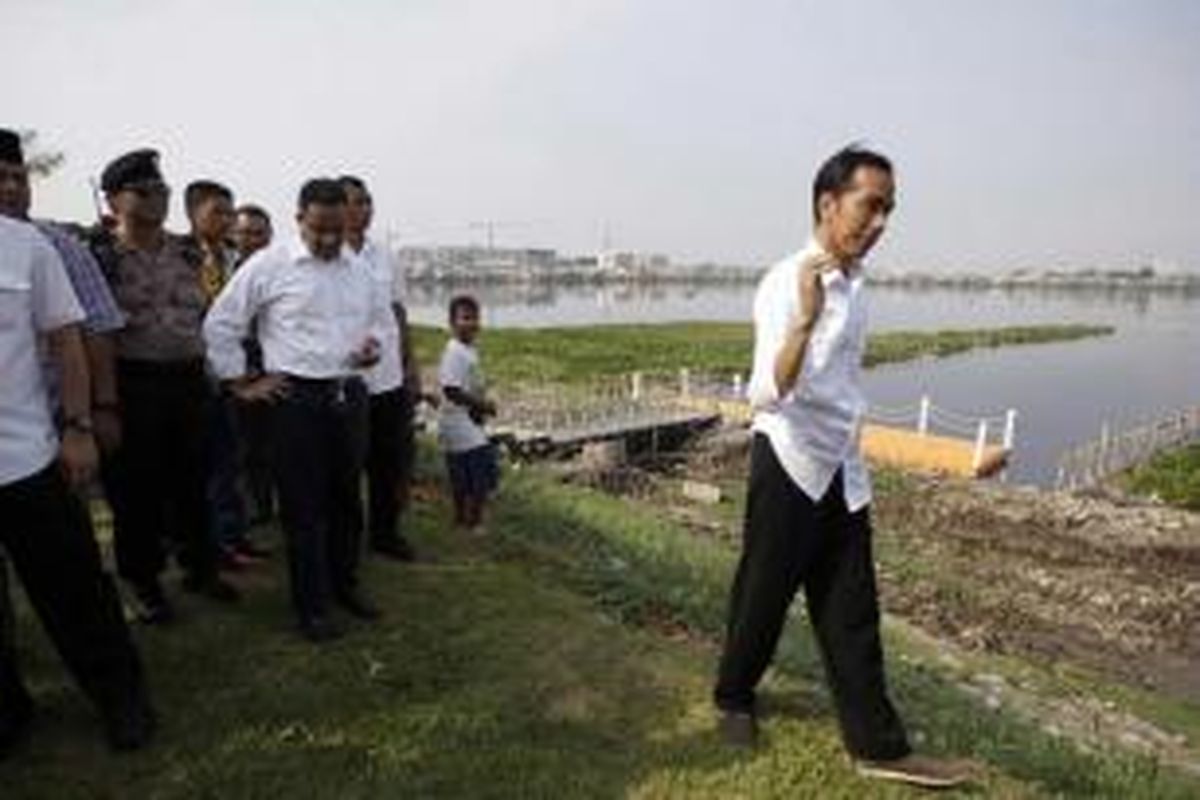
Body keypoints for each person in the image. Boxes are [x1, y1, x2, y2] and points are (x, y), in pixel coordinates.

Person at [712, 146, 971, 788]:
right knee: (763, 595)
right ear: (829, 204)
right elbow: (767, 394)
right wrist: (805, 315)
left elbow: (843, 381)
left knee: (852, 609)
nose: (881, 221)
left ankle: (876, 745)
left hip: (840, 466)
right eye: (871, 205)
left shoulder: (857, 286)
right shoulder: (785, 280)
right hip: (789, 458)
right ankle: (734, 696)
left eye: (889, 209)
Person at [204, 178, 392, 642]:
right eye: (319, 230)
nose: (329, 240)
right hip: (295, 401)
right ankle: (312, 606)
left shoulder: (359, 270)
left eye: (336, 229)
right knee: (304, 508)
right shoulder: (270, 266)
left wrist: (375, 346)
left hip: (349, 395)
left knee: (347, 500)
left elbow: (382, 321)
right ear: (299, 219)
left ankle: (345, 585)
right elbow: (221, 324)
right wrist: (240, 383)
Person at [0, 208, 155, 757]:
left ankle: (121, 698)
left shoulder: (25, 246)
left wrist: (79, 426)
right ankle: (9, 710)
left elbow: (67, 340)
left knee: (74, 590)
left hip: (26, 457)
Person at [88, 149, 239, 623]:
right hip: (134, 383)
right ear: (114, 200)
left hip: (189, 380)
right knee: (136, 490)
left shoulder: (188, 250)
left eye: (163, 191)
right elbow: (95, 333)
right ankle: (143, 579)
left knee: (193, 480)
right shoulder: (101, 256)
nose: (158, 198)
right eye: (145, 191)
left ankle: (201, 566)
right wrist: (104, 403)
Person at [340, 175, 418, 561]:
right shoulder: (326, 253)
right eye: (354, 202)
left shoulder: (384, 255)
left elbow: (398, 313)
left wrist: (410, 366)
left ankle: (385, 534)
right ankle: (348, 540)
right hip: (345, 380)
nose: (363, 210)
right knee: (348, 464)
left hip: (387, 378)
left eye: (367, 201)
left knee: (387, 462)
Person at [230, 204, 276, 526]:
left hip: (275, 365)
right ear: (235, 234)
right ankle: (252, 508)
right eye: (246, 232)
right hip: (238, 366)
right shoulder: (221, 272)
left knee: (272, 444)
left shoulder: (281, 271)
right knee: (243, 444)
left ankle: (266, 506)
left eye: (259, 233)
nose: (252, 239)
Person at [437, 295, 498, 532]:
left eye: (474, 318)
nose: (471, 323)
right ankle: (472, 521)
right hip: (457, 423)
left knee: (464, 473)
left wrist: (480, 406)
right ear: (452, 322)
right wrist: (482, 406)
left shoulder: (468, 349)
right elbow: (451, 390)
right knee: (480, 470)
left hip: (466, 421)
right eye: (464, 318)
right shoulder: (454, 352)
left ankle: (464, 519)